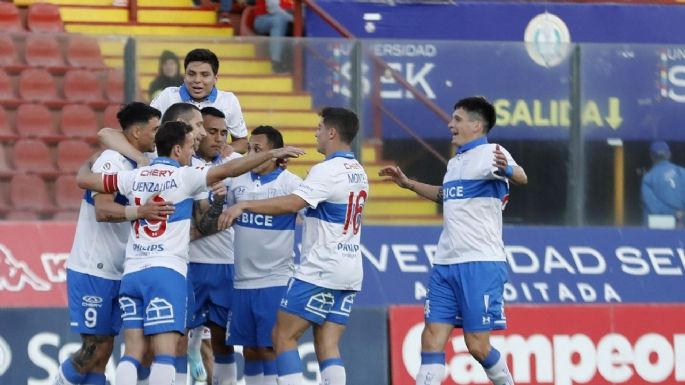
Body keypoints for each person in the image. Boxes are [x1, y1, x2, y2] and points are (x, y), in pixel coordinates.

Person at [75, 121, 304, 385]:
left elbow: (85, 180)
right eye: (189, 147)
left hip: (132, 273)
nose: (191, 153)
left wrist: (87, 163)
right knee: (165, 354)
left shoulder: (134, 176)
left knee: (133, 352)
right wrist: (271, 154)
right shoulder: (183, 176)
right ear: (176, 150)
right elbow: (229, 168)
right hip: (166, 274)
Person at [379, 96, 527, 385]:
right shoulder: (456, 163)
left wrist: (508, 170)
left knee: (477, 346)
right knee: (431, 338)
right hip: (446, 263)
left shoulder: (491, 153)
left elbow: (521, 176)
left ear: (477, 124)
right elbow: (445, 195)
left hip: (480, 263)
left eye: (457, 119)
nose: (450, 124)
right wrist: (408, 184)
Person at [219, 107, 368, 385]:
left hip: (321, 269)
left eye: (320, 128)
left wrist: (246, 204)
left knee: (282, 337)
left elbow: (293, 203)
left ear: (332, 133)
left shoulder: (326, 170)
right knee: (327, 345)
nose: (316, 133)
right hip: (349, 270)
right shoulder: (358, 170)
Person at [53, 102, 175, 385]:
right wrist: (139, 212)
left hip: (126, 269)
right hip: (95, 268)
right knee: (93, 348)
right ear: (136, 132)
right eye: (154, 130)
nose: (158, 137)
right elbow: (103, 210)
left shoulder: (144, 159)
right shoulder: (112, 161)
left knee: (108, 351)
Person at [225, 125, 302, 385]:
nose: (251, 155)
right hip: (241, 280)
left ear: (276, 155)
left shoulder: (290, 183)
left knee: (270, 348)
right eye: (249, 149)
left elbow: (311, 215)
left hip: (275, 279)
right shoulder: (237, 181)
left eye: (258, 150)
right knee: (249, 350)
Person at [186, 106, 243, 385]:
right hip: (189, 265)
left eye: (224, 133)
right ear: (197, 131)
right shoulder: (184, 166)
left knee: (223, 343)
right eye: (212, 131)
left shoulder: (234, 167)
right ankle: (193, 348)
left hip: (224, 264)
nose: (219, 138)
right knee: (176, 340)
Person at [151, 48, 249, 153]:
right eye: (191, 74)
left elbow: (242, 143)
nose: (197, 80)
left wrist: (227, 150)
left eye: (204, 75)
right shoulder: (167, 95)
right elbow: (148, 131)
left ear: (215, 79)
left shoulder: (229, 100)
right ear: (184, 76)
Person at [641, 140, 685, 227]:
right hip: (681, 223)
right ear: (669, 155)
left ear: (652, 157)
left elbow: (652, 205)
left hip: (657, 225)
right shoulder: (681, 172)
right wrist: (680, 213)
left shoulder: (648, 178)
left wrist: (672, 213)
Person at [253, 0, 294, 73]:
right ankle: (276, 63)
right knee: (278, 20)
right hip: (263, 19)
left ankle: (294, 65)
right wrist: (293, 19)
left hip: (286, 16)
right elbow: (273, 9)